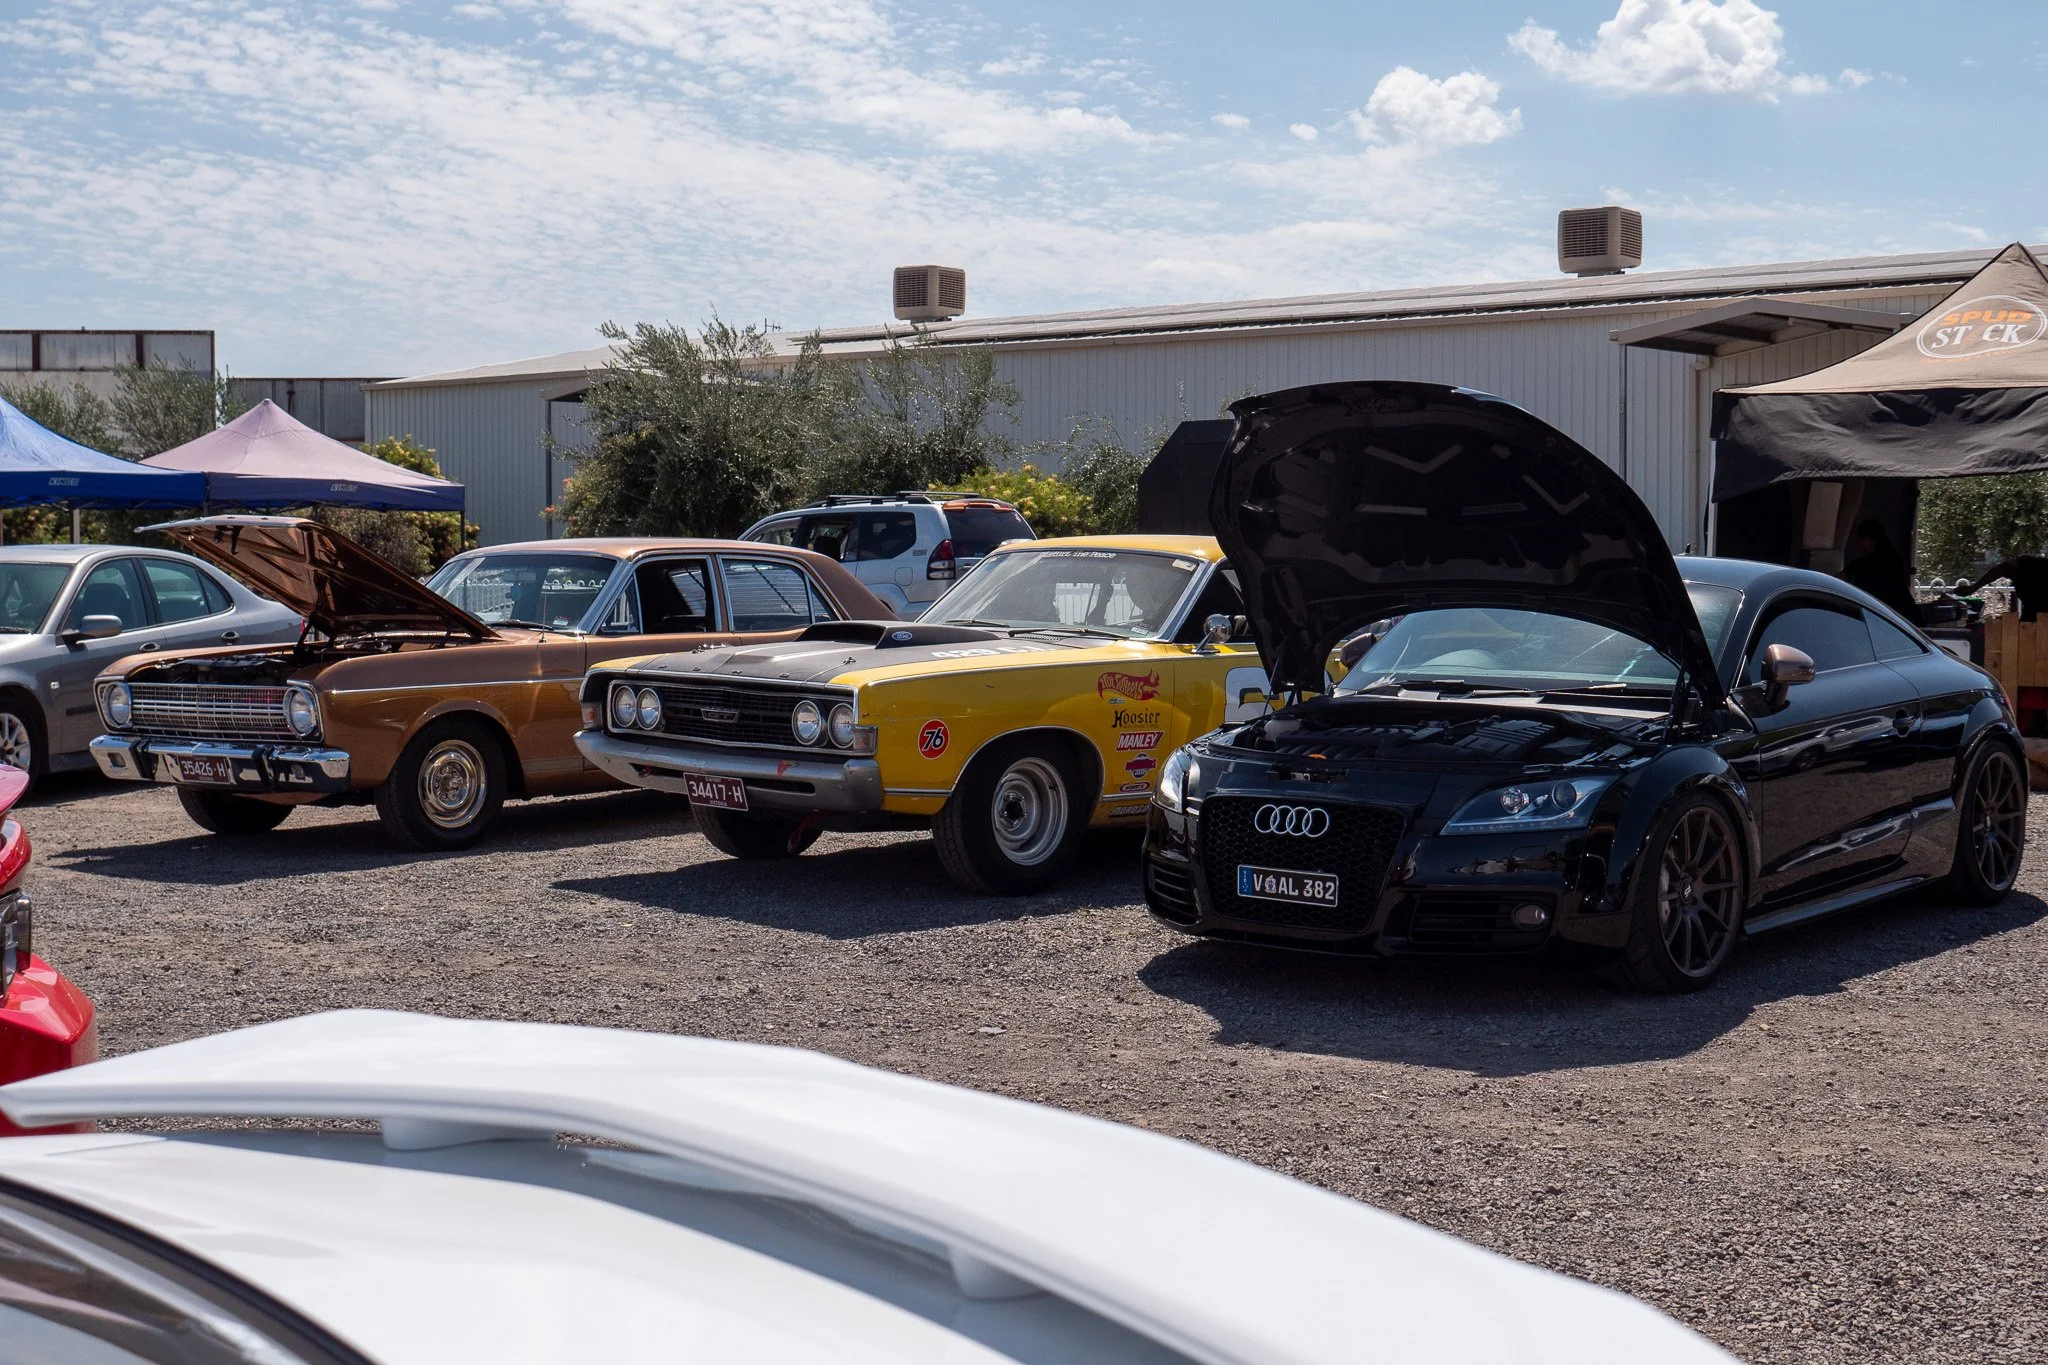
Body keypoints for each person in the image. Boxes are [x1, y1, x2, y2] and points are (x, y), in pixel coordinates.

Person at [1843, 520, 1919, 620]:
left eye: (1861, 539)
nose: (1859, 543)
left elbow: (1839, 579)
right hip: (1903, 615)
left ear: (1869, 540)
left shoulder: (1865, 564)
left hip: (1889, 616)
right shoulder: (1894, 558)